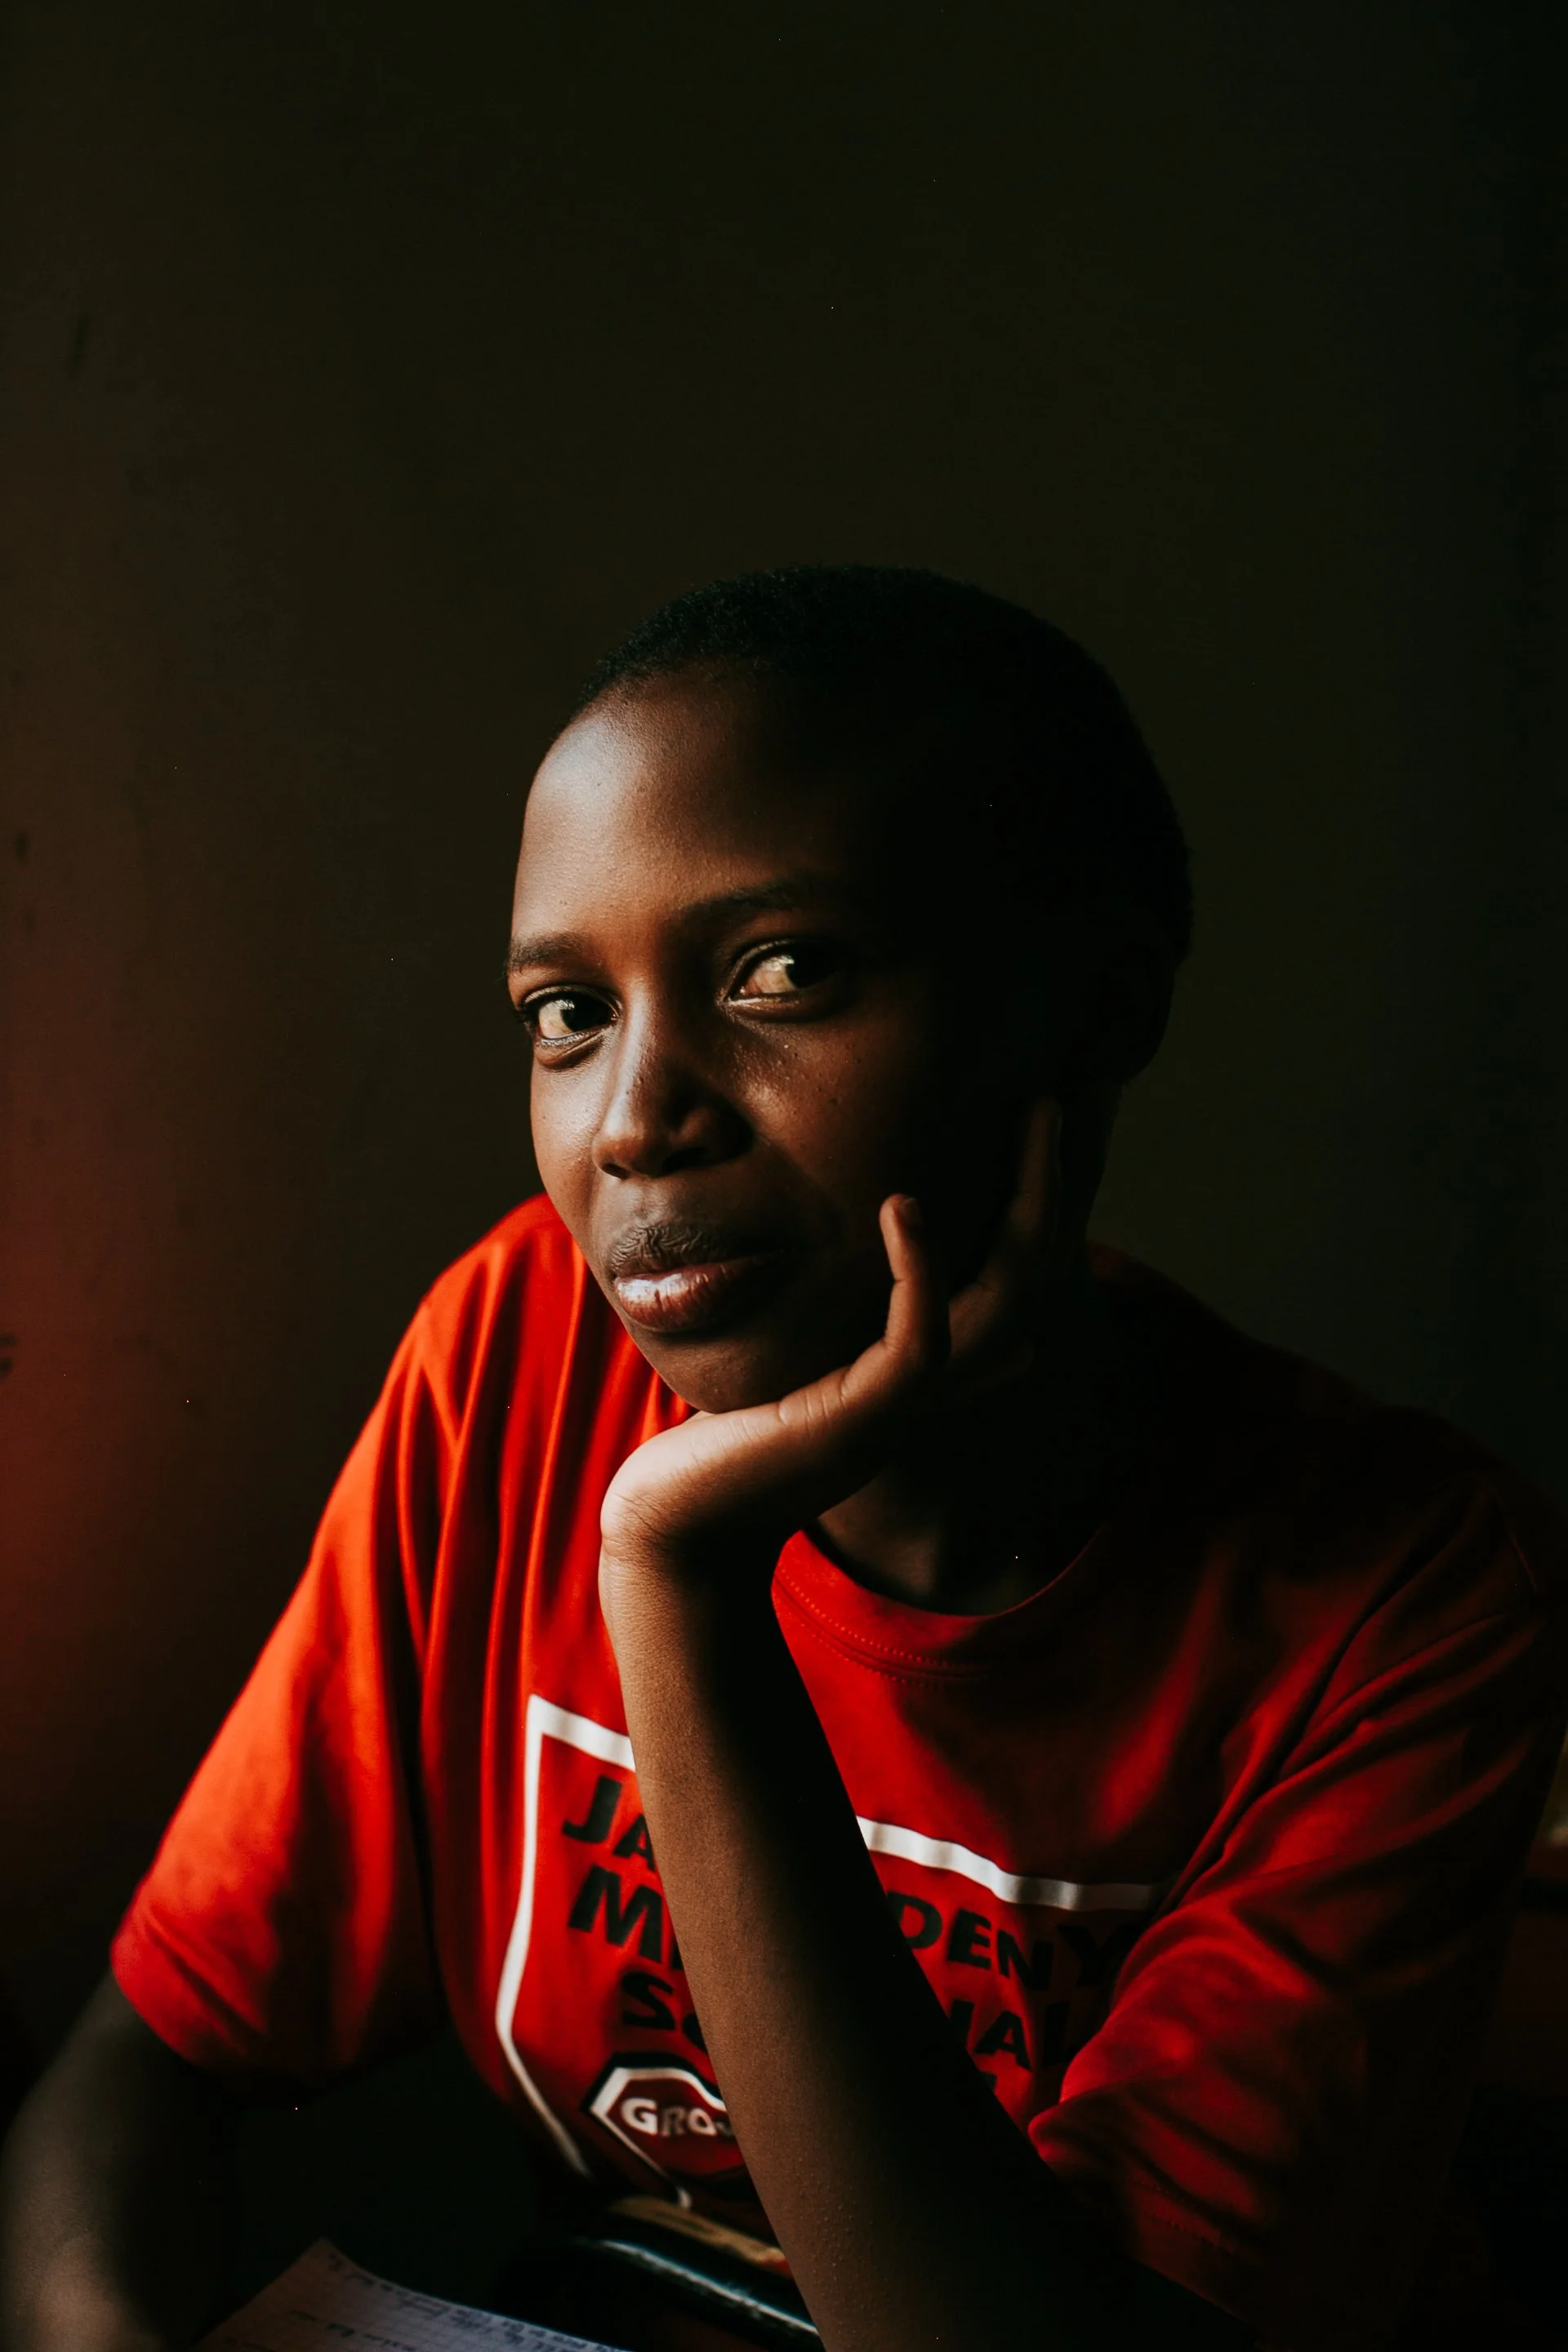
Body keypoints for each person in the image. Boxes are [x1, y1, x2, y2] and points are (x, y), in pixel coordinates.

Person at [3, 567, 1565, 2352]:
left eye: (782, 972)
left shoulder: (1410, 1596)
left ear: (1095, 1010)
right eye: (564, 1014)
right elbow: (151, 2049)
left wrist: (676, 1581)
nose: (636, 1117)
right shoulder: (516, 1350)